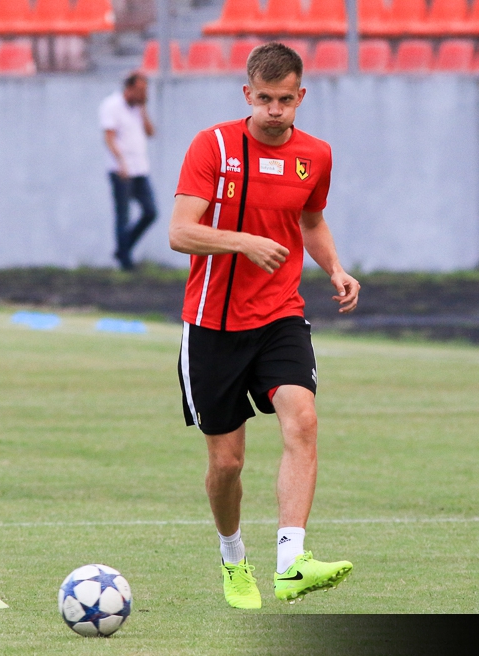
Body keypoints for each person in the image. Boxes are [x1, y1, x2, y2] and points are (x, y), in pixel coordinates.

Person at [168, 42, 361, 609]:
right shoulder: (213, 146)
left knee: (303, 420)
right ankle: (233, 559)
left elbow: (311, 219)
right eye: (265, 99)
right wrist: (243, 242)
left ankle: (291, 562)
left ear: (301, 96)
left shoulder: (316, 155)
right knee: (226, 463)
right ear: (247, 94)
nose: (275, 110)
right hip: (212, 325)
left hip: (280, 315)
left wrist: (335, 267)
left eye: (285, 100)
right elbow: (180, 232)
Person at [100, 72, 157, 271]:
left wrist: (144, 109)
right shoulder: (111, 105)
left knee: (150, 212)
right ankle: (125, 261)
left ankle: (122, 250)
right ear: (129, 88)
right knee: (122, 216)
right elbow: (109, 138)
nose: (144, 95)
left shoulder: (138, 109)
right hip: (121, 170)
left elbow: (151, 132)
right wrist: (120, 163)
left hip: (140, 168)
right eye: (141, 90)